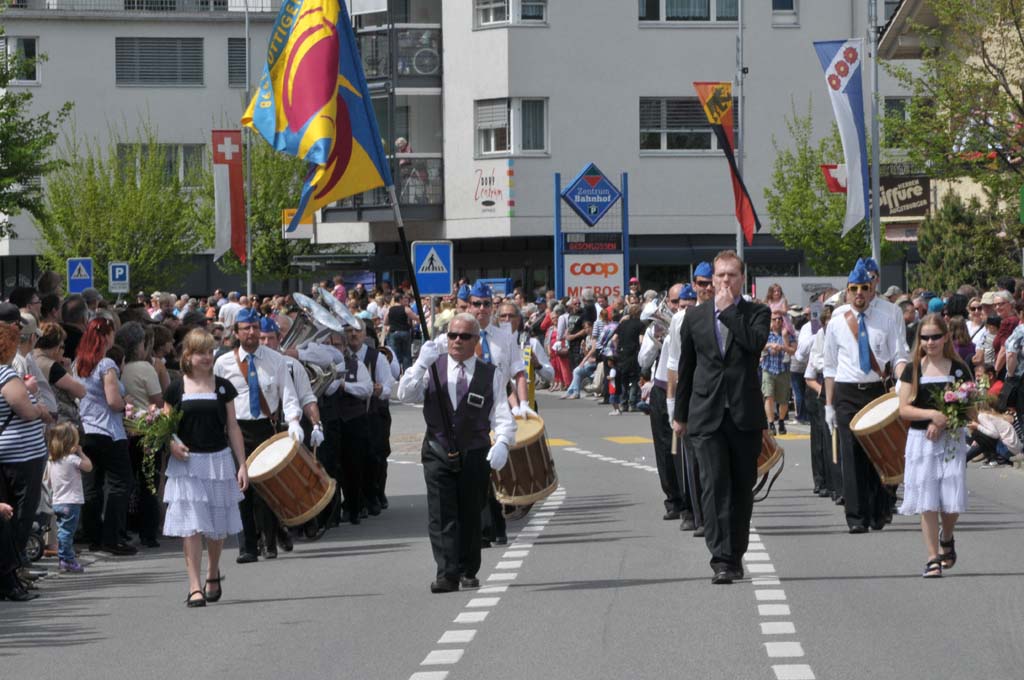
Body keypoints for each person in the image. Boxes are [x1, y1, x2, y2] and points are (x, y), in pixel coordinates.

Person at [396, 313, 515, 593]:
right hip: (437, 448)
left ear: (476, 340)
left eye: (464, 336)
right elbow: (405, 395)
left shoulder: (490, 373)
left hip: (475, 451)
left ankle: (467, 569)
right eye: (452, 335)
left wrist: (503, 443)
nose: (457, 341)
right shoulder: (432, 368)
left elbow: (501, 414)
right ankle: (446, 573)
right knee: (440, 513)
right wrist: (419, 363)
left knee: (471, 513)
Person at [673, 250, 770, 584]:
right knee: (714, 486)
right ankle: (721, 559)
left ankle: (736, 551)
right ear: (711, 280)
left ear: (742, 279)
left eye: (731, 275)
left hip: (743, 413)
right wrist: (680, 413)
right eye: (720, 276)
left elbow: (754, 344)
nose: (725, 281)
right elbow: (686, 368)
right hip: (706, 413)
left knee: (741, 489)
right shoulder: (694, 317)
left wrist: (729, 312)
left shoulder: (757, 312)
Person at [164, 329, 249, 607]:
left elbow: (233, 427)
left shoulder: (223, 386)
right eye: (201, 352)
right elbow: (166, 428)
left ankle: (213, 571)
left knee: (216, 525)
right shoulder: (176, 388)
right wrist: (171, 444)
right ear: (188, 355)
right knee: (191, 526)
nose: (207, 357)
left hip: (218, 460)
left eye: (211, 352)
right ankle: (194, 585)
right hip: (187, 464)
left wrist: (242, 465)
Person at [824, 259, 909, 534]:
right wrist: (829, 404)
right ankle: (856, 517)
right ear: (847, 291)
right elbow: (830, 366)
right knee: (851, 454)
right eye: (853, 288)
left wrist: (900, 383)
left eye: (863, 287)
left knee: (878, 452)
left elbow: (899, 355)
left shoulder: (887, 316)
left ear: (872, 289)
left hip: (876, 390)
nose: (859, 293)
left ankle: (877, 509)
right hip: (847, 391)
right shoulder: (837, 321)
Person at [214, 307, 303, 563]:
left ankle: (270, 540)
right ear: (237, 333)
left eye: (254, 327)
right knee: (241, 489)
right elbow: (217, 398)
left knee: (266, 487)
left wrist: (294, 420)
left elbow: (288, 393)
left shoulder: (275, 360)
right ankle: (247, 546)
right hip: (236, 428)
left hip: (266, 428)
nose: (252, 333)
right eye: (246, 329)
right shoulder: (224, 363)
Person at [897, 314, 972, 577]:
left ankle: (947, 536)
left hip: (951, 439)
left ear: (946, 337)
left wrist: (944, 422)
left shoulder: (959, 368)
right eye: (925, 337)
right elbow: (904, 409)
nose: (930, 342)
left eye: (935, 337)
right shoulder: (913, 369)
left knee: (951, 499)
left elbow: (968, 408)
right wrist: (931, 415)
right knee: (927, 499)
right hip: (921, 441)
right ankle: (932, 558)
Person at [76, 318, 136, 555]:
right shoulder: (107, 364)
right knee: (121, 482)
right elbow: (112, 401)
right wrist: (126, 404)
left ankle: (94, 535)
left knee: (92, 484)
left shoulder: (79, 364)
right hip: (108, 431)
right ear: (107, 336)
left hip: (86, 429)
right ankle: (112, 537)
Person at [0, 323, 51, 585]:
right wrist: (40, 409)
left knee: (7, 512)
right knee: (20, 513)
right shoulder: (5, 374)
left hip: (8, 452)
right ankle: (12, 571)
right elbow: (25, 411)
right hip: (21, 454)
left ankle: (11, 570)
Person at [639, 284, 689, 523]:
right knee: (663, 448)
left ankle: (689, 499)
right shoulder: (657, 328)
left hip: (685, 389)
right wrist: (657, 339)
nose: (676, 306)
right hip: (660, 388)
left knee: (683, 449)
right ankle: (673, 500)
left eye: (680, 301)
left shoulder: (692, 321)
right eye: (673, 301)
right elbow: (643, 361)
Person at [116, 322, 165, 548]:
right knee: (148, 483)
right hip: (147, 428)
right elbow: (158, 400)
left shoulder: (119, 367)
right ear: (140, 345)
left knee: (126, 482)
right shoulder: (145, 368)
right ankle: (148, 532)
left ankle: (124, 527)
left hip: (125, 429)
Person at [47, 422, 92, 573]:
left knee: (62, 530)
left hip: (58, 501)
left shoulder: (52, 460)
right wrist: (81, 453)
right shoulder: (72, 459)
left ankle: (64, 558)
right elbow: (88, 466)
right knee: (67, 532)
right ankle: (67, 559)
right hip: (71, 501)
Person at [761, 309, 795, 435]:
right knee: (768, 396)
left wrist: (782, 346)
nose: (778, 321)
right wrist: (770, 345)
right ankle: (771, 423)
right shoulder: (766, 334)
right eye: (775, 319)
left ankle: (781, 420)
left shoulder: (787, 334)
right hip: (768, 369)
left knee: (784, 400)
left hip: (783, 370)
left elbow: (793, 350)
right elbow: (759, 345)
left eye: (780, 319)